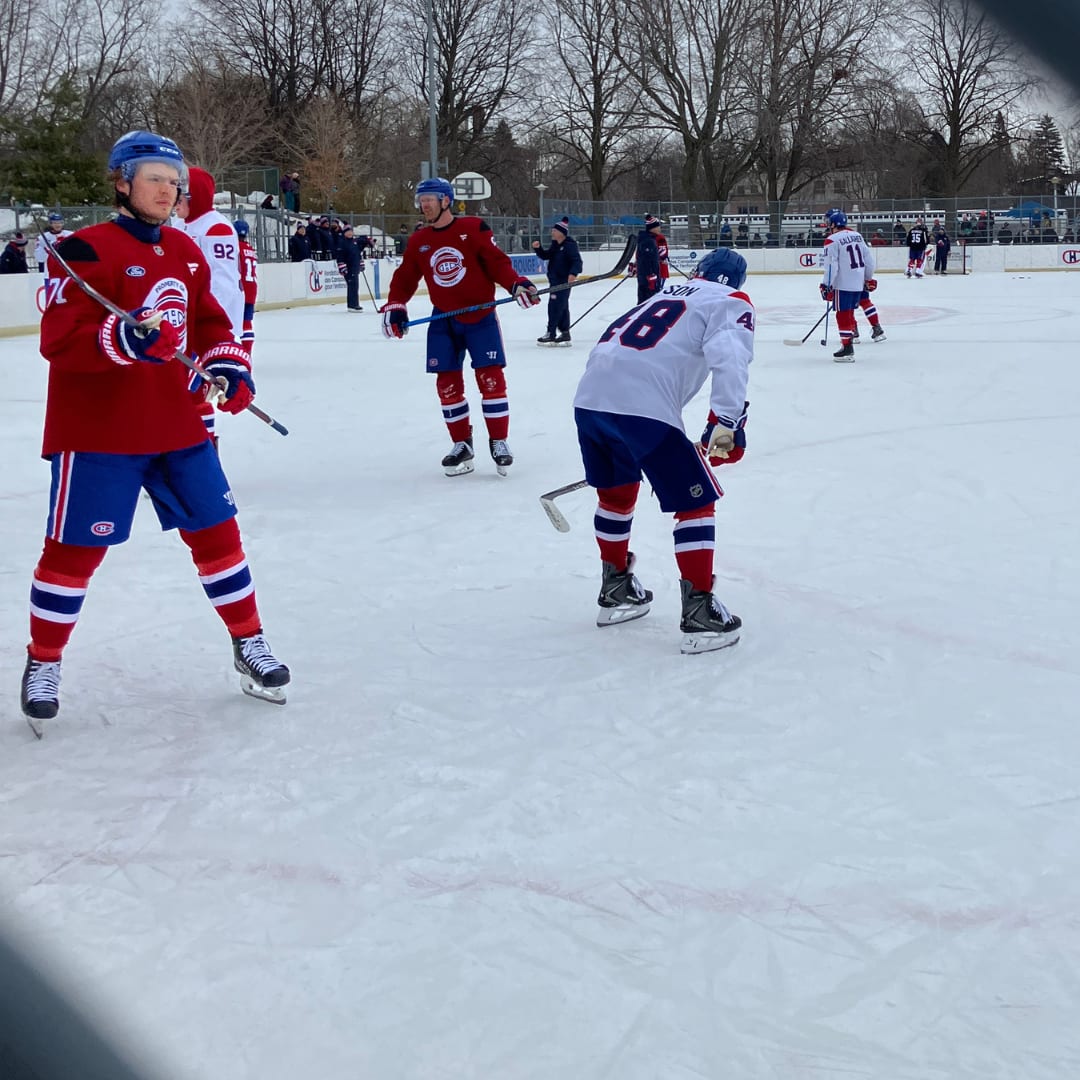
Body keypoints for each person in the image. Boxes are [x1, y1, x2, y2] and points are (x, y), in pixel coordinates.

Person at [20, 129, 289, 727]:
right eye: (155, 179)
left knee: (220, 538)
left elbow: (214, 325)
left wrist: (227, 368)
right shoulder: (83, 251)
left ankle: (249, 642)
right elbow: (58, 342)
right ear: (122, 182)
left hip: (178, 424)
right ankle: (44, 659)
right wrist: (123, 338)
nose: (169, 191)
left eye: (175, 181)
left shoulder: (186, 252)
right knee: (73, 554)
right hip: (100, 432)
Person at [572, 248, 752, 653]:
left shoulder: (661, 294)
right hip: (642, 405)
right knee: (696, 503)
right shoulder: (729, 300)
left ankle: (616, 587)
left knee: (616, 494)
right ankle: (700, 612)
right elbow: (731, 359)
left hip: (590, 398)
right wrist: (727, 421)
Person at [379, 176, 540, 477]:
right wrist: (395, 305)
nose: (424, 205)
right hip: (443, 319)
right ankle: (461, 444)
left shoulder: (473, 229)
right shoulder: (419, 241)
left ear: (446, 201)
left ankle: (499, 441)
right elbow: (405, 278)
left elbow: (497, 262)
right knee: (447, 385)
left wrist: (516, 283)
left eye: (430, 200)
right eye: (421, 200)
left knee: (490, 379)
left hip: (480, 317)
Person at [184, 166, 245, 441]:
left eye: (180, 194)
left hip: (207, 326)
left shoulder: (216, 226)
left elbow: (223, 283)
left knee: (198, 393)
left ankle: (203, 452)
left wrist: (211, 328)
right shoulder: (183, 225)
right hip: (185, 325)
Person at [819, 208, 882, 361]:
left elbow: (831, 266)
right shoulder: (857, 236)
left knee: (842, 314)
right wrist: (868, 278)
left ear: (833, 224)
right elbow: (869, 261)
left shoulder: (831, 240)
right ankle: (851, 342)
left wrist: (826, 285)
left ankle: (847, 348)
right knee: (850, 312)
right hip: (858, 282)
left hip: (843, 283)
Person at [532, 216, 583, 346]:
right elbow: (546, 256)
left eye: (554, 230)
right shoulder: (556, 245)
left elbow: (577, 261)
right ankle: (565, 333)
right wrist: (538, 249)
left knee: (555, 307)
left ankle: (551, 333)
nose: (552, 232)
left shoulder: (569, 246)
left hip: (563, 282)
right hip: (555, 281)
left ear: (561, 232)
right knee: (563, 306)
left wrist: (573, 273)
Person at [627, 214, 669, 304]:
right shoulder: (649, 241)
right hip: (649, 278)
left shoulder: (646, 239)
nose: (659, 229)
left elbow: (641, 257)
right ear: (652, 228)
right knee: (649, 302)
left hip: (647, 276)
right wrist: (651, 275)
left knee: (645, 301)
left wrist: (635, 266)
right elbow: (647, 260)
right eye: (657, 226)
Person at [234, 219, 258, 349]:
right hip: (252, 289)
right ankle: (247, 353)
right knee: (247, 322)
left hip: (239, 289)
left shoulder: (235, 248)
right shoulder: (250, 249)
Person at [337, 222, 363, 312]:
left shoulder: (354, 242)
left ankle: (354, 303)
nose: (350, 233)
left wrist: (361, 263)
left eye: (351, 231)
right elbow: (340, 256)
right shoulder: (342, 242)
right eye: (347, 232)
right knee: (352, 285)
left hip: (355, 266)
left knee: (355, 285)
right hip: (348, 267)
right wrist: (342, 267)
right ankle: (352, 304)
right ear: (344, 233)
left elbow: (358, 254)